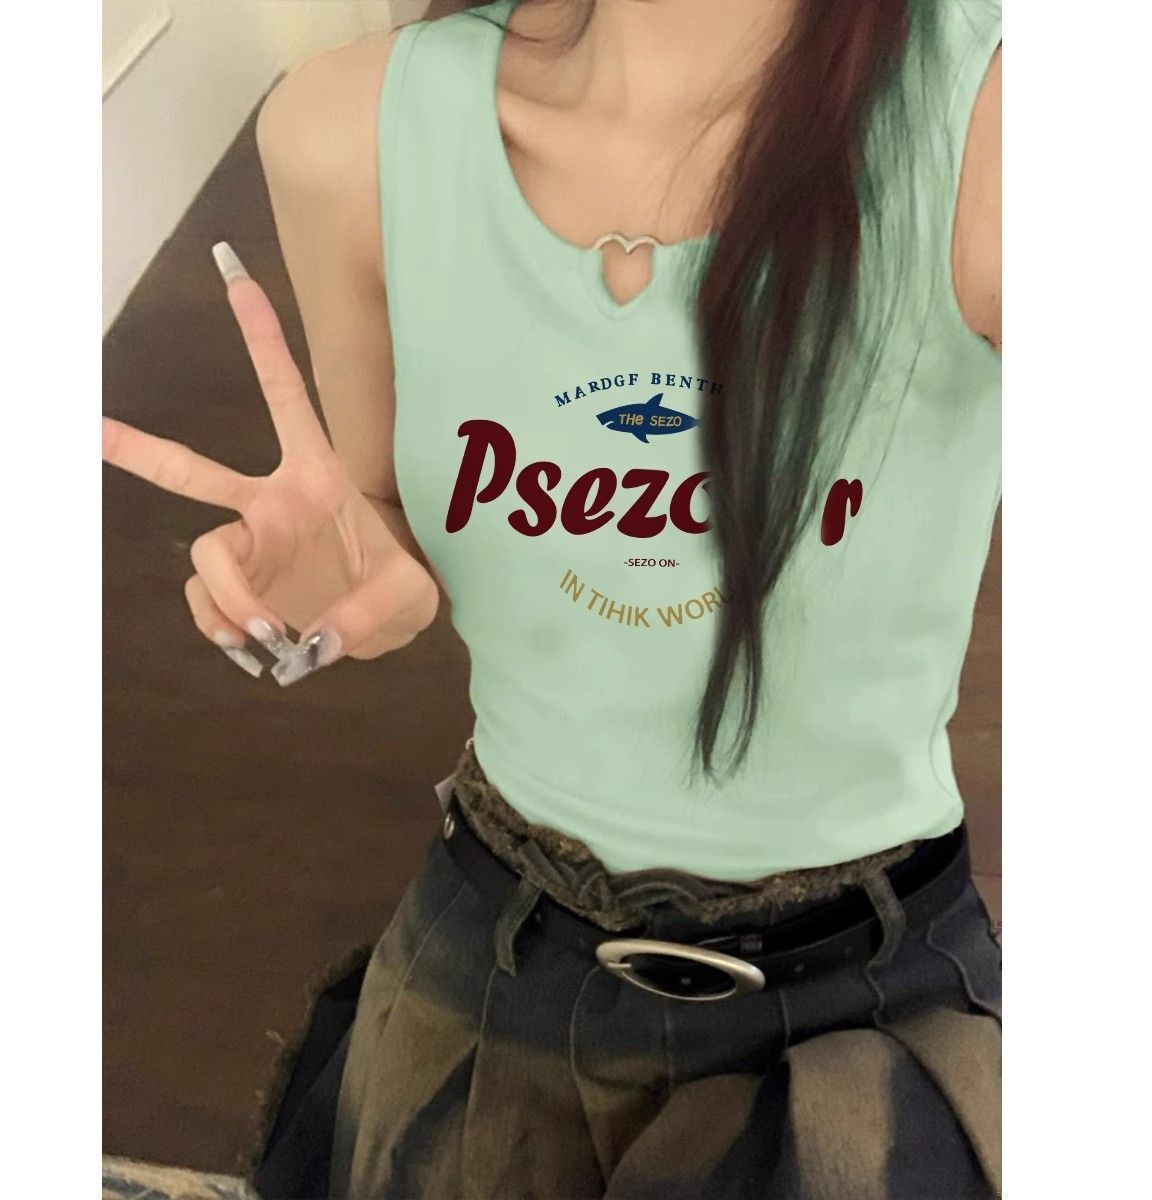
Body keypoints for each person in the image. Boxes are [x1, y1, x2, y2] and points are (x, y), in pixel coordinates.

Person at [103, 0, 1002, 1195]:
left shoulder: (998, 118)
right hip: (498, 942)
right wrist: (341, 576)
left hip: (867, 995)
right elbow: (377, 503)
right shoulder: (346, 131)